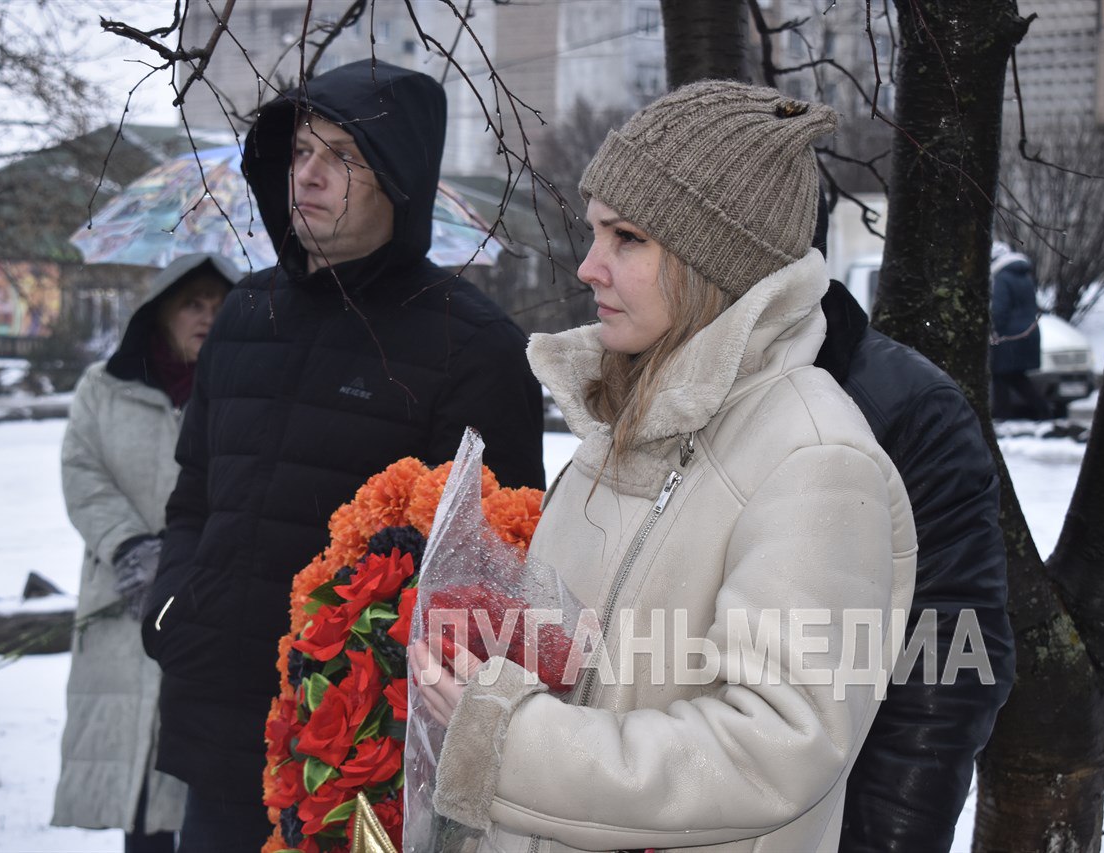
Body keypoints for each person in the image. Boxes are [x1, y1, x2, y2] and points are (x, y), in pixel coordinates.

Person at [412, 80, 916, 852]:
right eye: (593, 233)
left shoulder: (813, 456)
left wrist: (507, 735)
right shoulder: (624, 417)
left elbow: (777, 749)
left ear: (711, 259)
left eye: (626, 238)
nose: (587, 266)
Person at [140, 59, 546, 850]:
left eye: (342, 156)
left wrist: (380, 711)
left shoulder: (476, 348)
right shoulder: (243, 316)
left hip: (361, 770)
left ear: (398, 178)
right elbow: (193, 499)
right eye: (298, 152)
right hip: (218, 736)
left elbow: (488, 574)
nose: (309, 174)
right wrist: (173, 610)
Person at [811, 198, 1015, 852]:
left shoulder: (902, 406)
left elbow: (949, 662)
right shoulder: (628, 393)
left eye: (632, 238)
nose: (592, 268)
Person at [52, 253, 238, 851]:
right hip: (122, 604)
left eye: (219, 304)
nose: (206, 317)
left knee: (206, 791)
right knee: (139, 786)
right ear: (159, 313)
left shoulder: (243, 396)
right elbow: (82, 472)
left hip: (210, 607)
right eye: (192, 304)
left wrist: (196, 560)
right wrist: (132, 549)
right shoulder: (103, 390)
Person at [990, 241, 1049, 419]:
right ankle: (1041, 411)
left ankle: (1003, 415)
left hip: (1010, 335)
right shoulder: (1024, 275)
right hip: (1028, 332)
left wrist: (994, 330)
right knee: (1013, 376)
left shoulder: (1002, 277)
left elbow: (1000, 309)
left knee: (1002, 375)